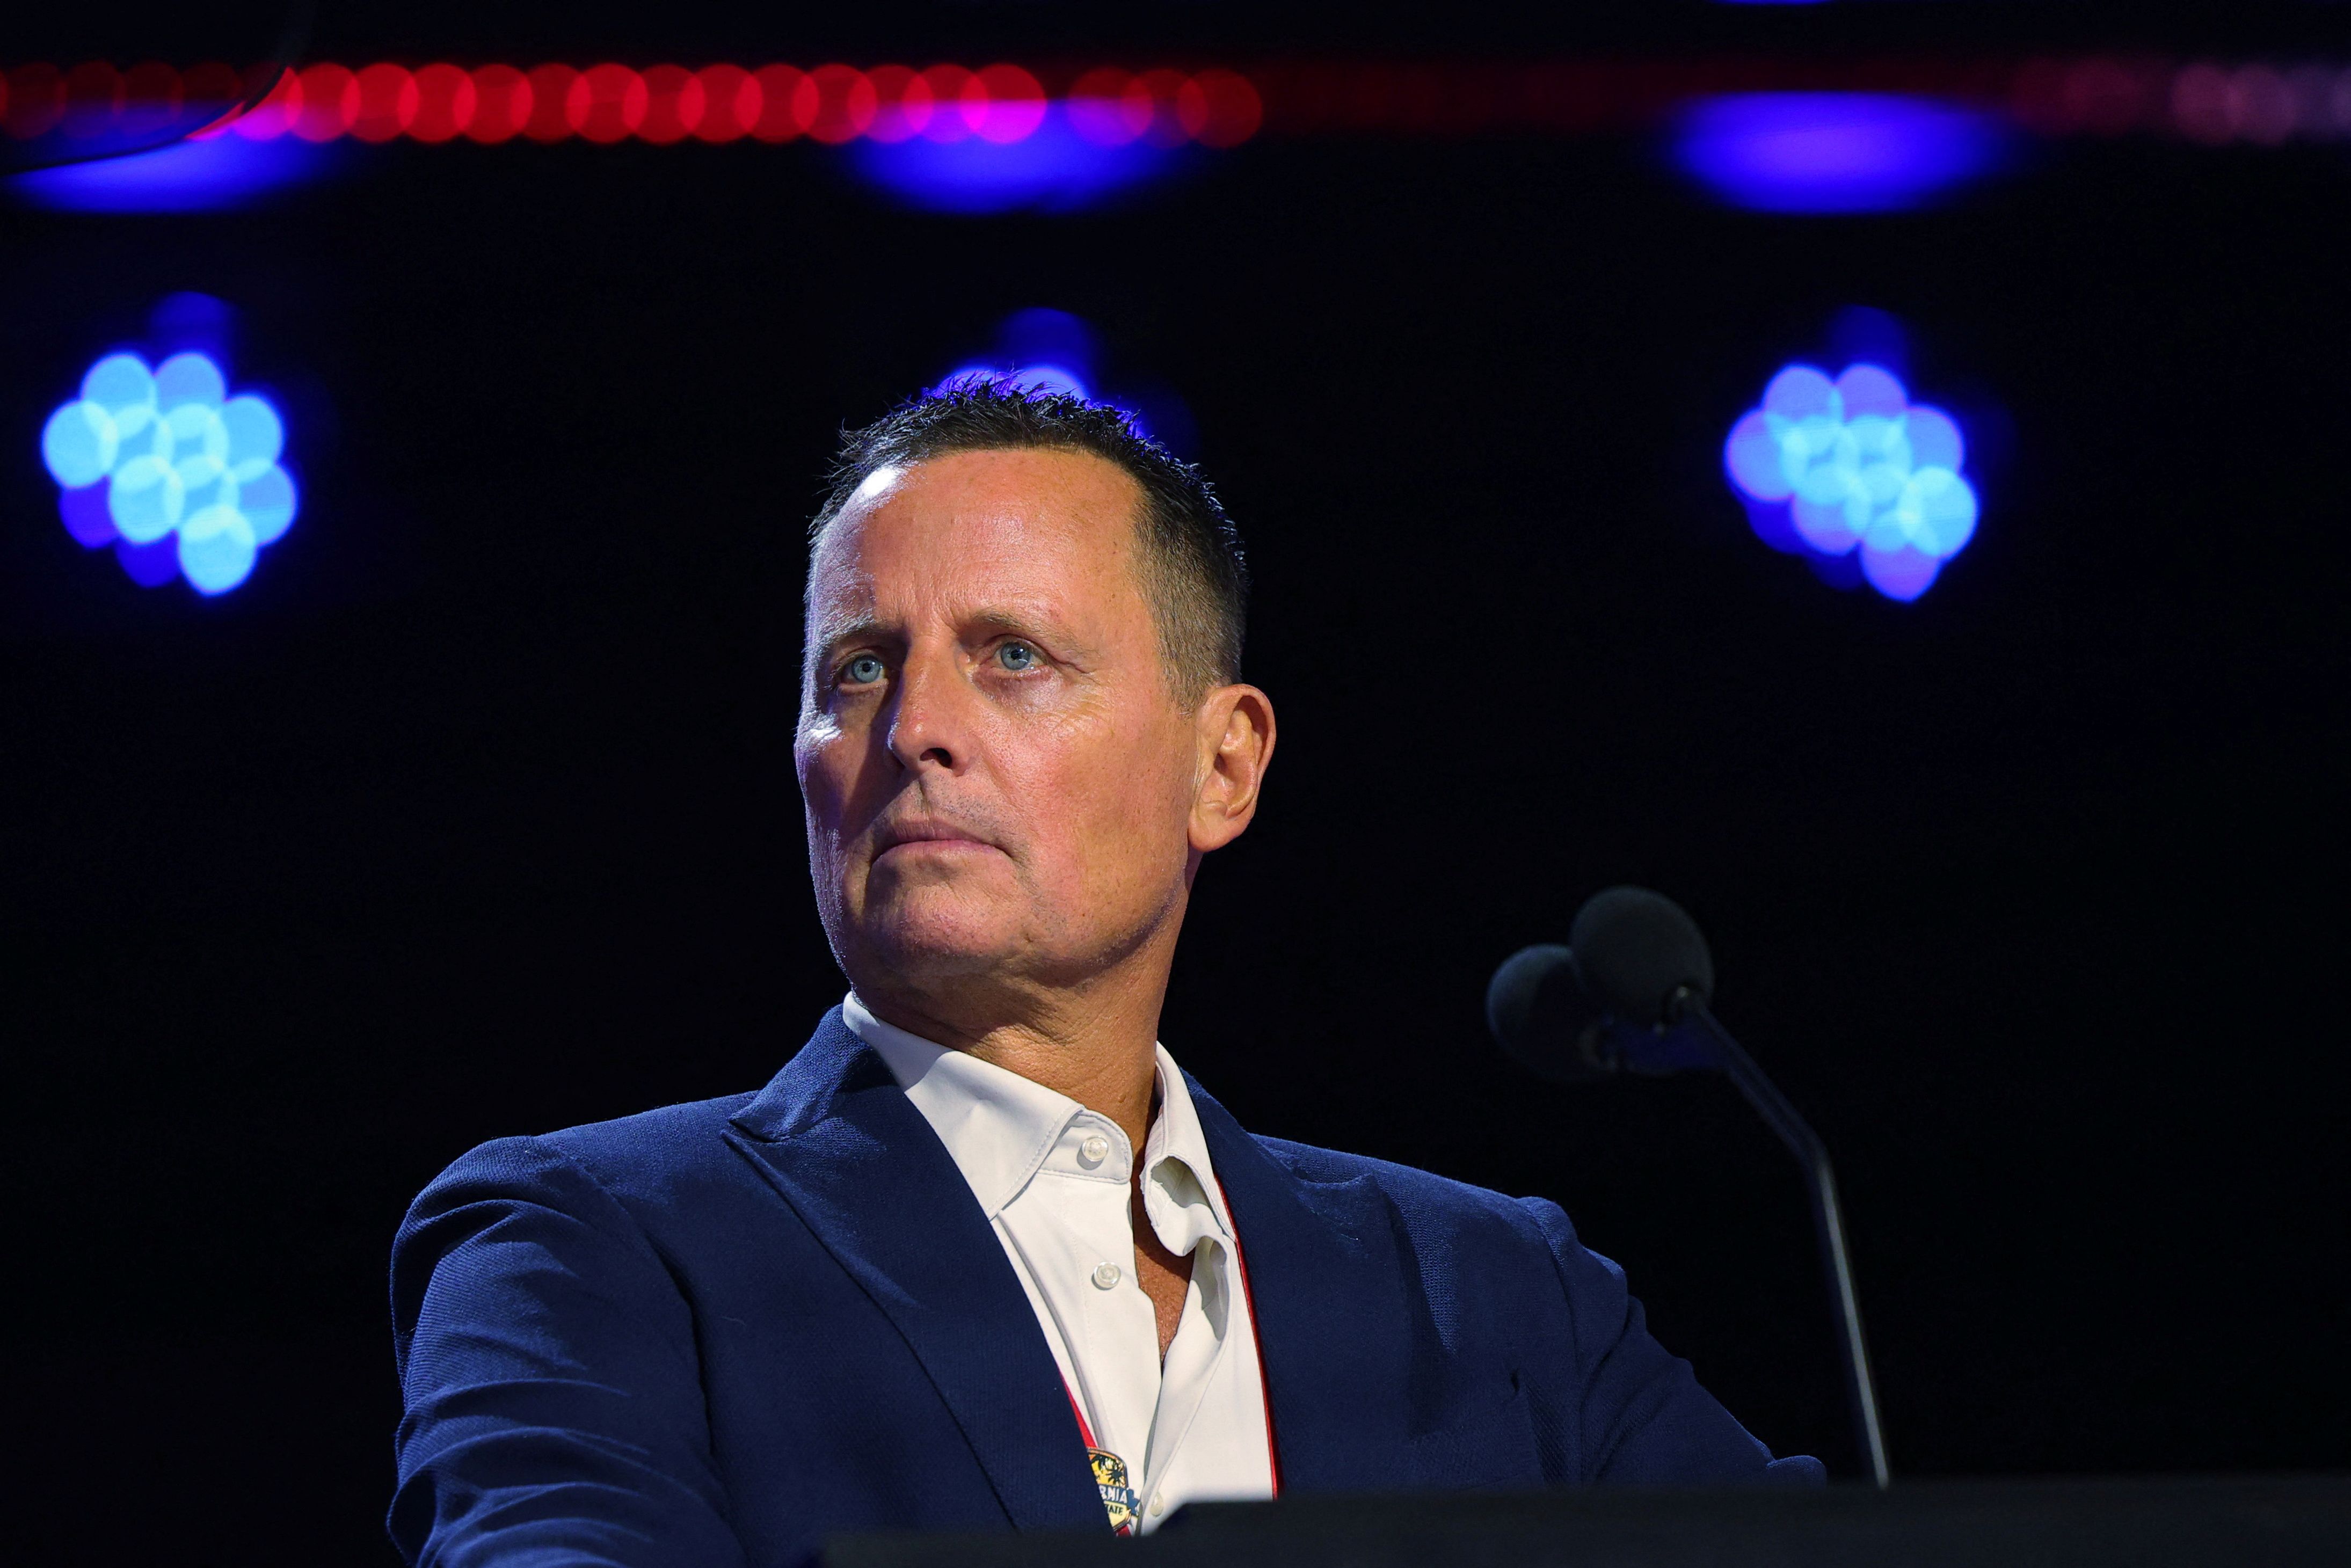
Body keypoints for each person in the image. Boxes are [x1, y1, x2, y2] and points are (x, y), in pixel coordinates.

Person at [388, 383, 1821, 1567]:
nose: (916, 726)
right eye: (859, 670)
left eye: (1013, 655)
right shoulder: (584, 1248)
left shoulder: (1498, 1296)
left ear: (1222, 765)